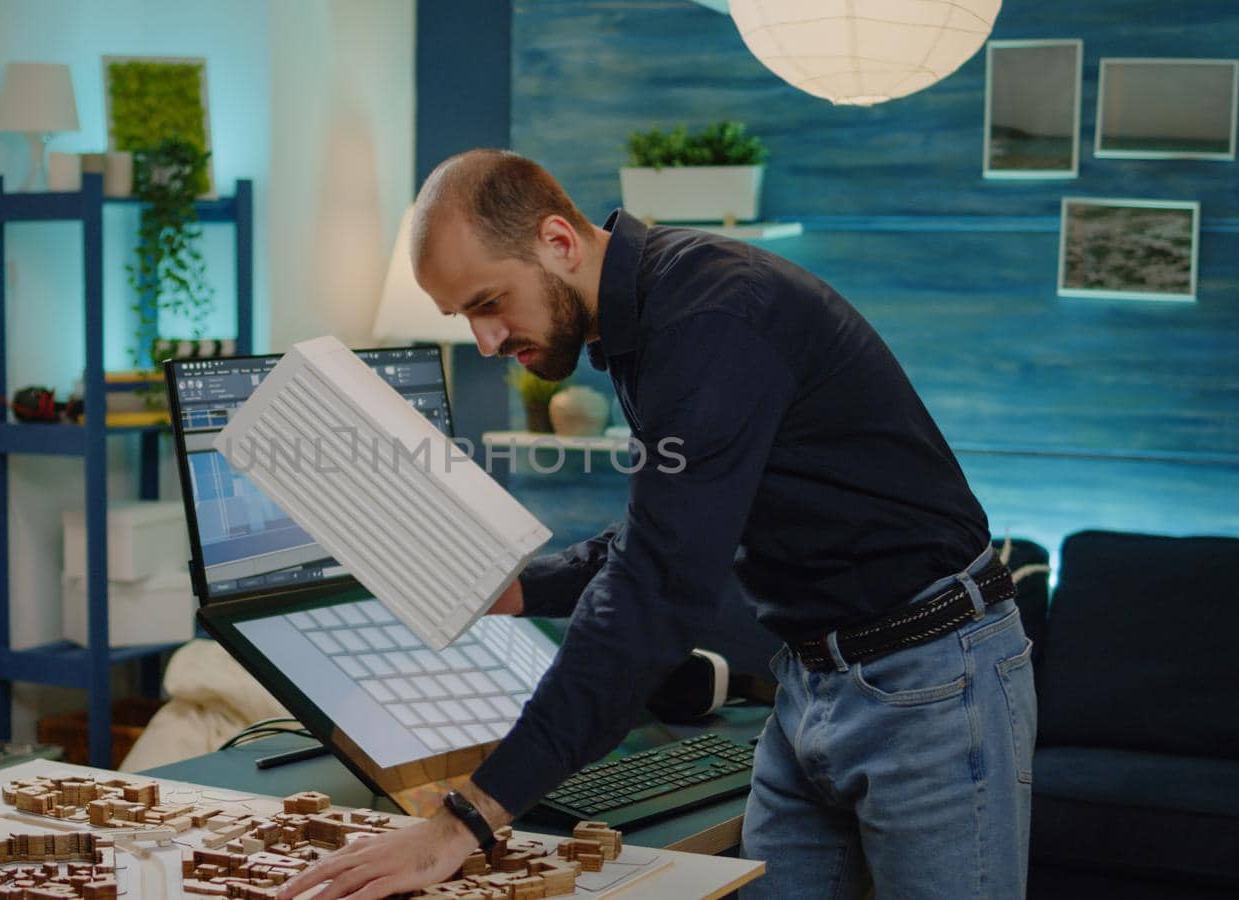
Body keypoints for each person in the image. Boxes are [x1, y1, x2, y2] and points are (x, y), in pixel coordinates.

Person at [279, 149, 1035, 900]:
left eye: (487, 303)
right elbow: (669, 527)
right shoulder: (649, 322)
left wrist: (462, 823)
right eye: (465, 318)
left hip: (933, 675)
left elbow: (652, 597)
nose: (486, 342)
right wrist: (518, 591)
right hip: (811, 679)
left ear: (559, 243)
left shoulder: (712, 317)